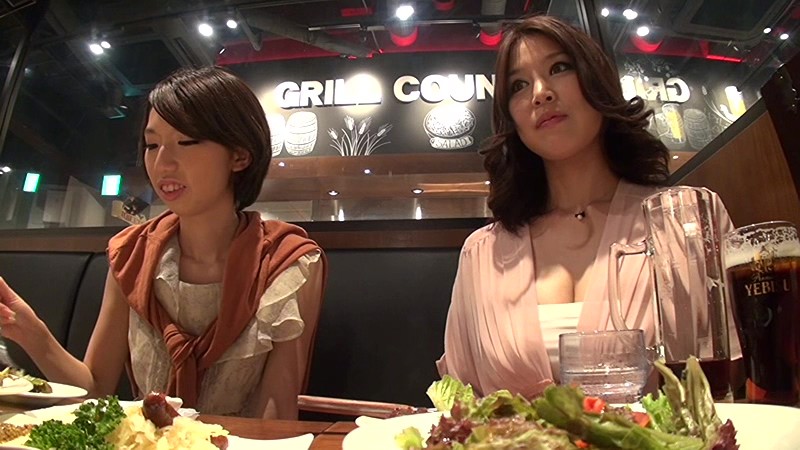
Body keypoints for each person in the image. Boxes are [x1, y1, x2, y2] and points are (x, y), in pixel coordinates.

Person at [436, 15, 740, 398]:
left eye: (559, 68)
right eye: (519, 85)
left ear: (595, 79)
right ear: (511, 117)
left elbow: (739, 378)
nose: (540, 93)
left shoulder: (688, 221)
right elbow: (459, 403)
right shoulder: (482, 253)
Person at [0, 66, 326, 419]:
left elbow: (276, 417)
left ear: (239, 155)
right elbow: (94, 390)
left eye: (186, 142)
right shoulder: (132, 255)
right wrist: (33, 334)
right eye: (152, 145)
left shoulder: (288, 262)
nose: (162, 163)